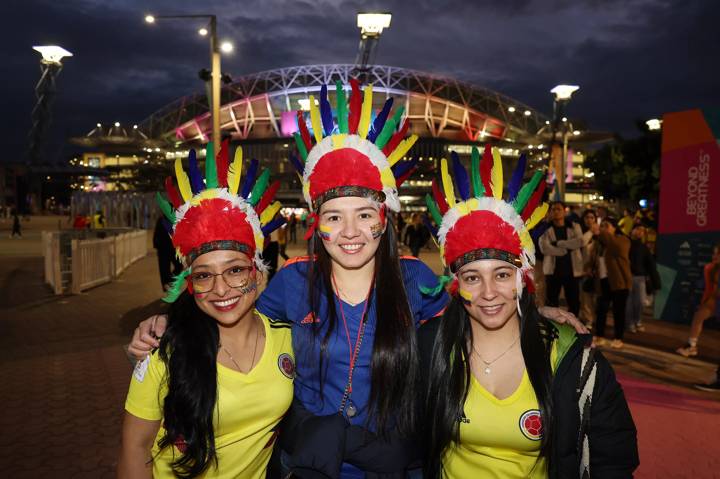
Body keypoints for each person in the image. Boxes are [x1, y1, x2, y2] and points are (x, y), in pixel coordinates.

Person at [128, 83, 584, 478]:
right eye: (334, 217)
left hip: (396, 466)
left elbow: (480, 310)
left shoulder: (417, 281)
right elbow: (227, 308)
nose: (349, 233)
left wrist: (536, 310)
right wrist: (169, 323)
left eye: (364, 215)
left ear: (384, 220)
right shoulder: (291, 284)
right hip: (309, 467)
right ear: (315, 223)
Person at [419, 151, 638, 478]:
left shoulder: (574, 361)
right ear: (455, 285)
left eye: (503, 275)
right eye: (472, 277)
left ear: (524, 278)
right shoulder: (430, 348)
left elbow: (613, 459)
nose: (489, 292)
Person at [118, 145, 292, 478]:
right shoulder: (163, 349)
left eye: (235, 270)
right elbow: (134, 448)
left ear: (258, 273)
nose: (221, 288)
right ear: (190, 284)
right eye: (203, 275)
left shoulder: (288, 337)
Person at [539, 201, 592, 316]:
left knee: (574, 302)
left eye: (559, 209)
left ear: (564, 211)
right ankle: (552, 327)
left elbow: (580, 242)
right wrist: (563, 250)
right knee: (551, 302)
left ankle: (574, 327)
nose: (556, 212)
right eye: (553, 209)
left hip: (572, 271)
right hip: (553, 271)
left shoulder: (574, 226)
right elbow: (544, 248)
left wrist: (558, 243)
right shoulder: (545, 228)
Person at [593, 217, 632, 348]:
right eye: (602, 225)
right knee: (601, 310)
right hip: (604, 281)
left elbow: (618, 249)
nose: (603, 228)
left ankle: (618, 338)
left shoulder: (622, 239)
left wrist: (603, 234)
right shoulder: (600, 243)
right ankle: (599, 336)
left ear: (615, 227)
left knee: (618, 311)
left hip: (619, 282)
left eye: (607, 225)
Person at [677, 243, 720, 357]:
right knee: (698, 317)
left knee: (698, 317)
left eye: (718, 254)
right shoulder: (710, 268)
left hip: (714, 302)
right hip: (713, 302)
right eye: (714, 253)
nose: (714, 256)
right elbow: (709, 287)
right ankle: (692, 346)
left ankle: (691, 346)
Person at [625, 224, 660, 333]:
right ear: (632, 230)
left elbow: (650, 265)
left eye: (643, 231)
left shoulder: (643, 247)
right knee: (628, 303)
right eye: (638, 229)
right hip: (627, 277)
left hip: (640, 278)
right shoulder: (625, 242)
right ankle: (630, 323)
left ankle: (638, 321)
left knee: (639, 301)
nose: (641, 232)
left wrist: (656, 282)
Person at [579, 209, 600, 328]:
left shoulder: (599, 234)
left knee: (595, 297)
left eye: (592, 217)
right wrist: (591, 232)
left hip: (595, 270)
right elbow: (581, 243)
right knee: (584, 296)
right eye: (587, 217)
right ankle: (588, 319)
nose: (589, 220)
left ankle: (592, 317)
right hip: (582, 269)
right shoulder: (581, 232)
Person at [152, 215, 183, 291]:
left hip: (173, 249)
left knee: (179, 266)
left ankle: (170, 281)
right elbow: (157, 233)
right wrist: (157, 244)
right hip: (163, 248)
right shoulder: (162, 219)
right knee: (164, 269)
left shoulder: (175, 219)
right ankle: (167, 286)